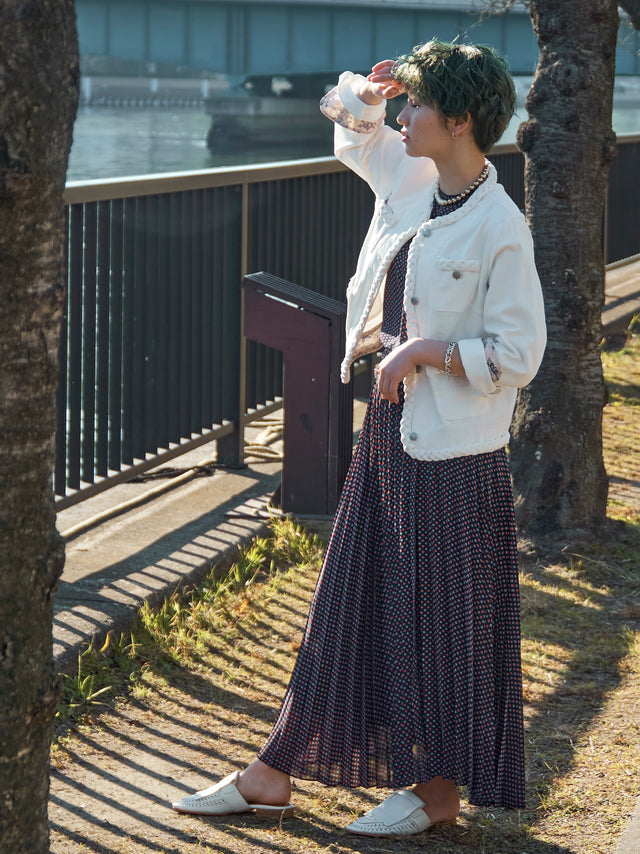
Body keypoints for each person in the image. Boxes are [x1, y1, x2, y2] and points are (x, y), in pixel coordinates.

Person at [172, 39, 546, 838]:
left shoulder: (499, 225)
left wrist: (422, 351)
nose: (407, 117)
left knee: (447, 622)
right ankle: (275, 771)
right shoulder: (414, 180)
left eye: (420, 106)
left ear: (463, 120)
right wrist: (377, 93)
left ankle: (441, 792)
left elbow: (520, 353)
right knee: (346, 605)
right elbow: (349, 121)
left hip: (455, 454)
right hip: (391, 434)